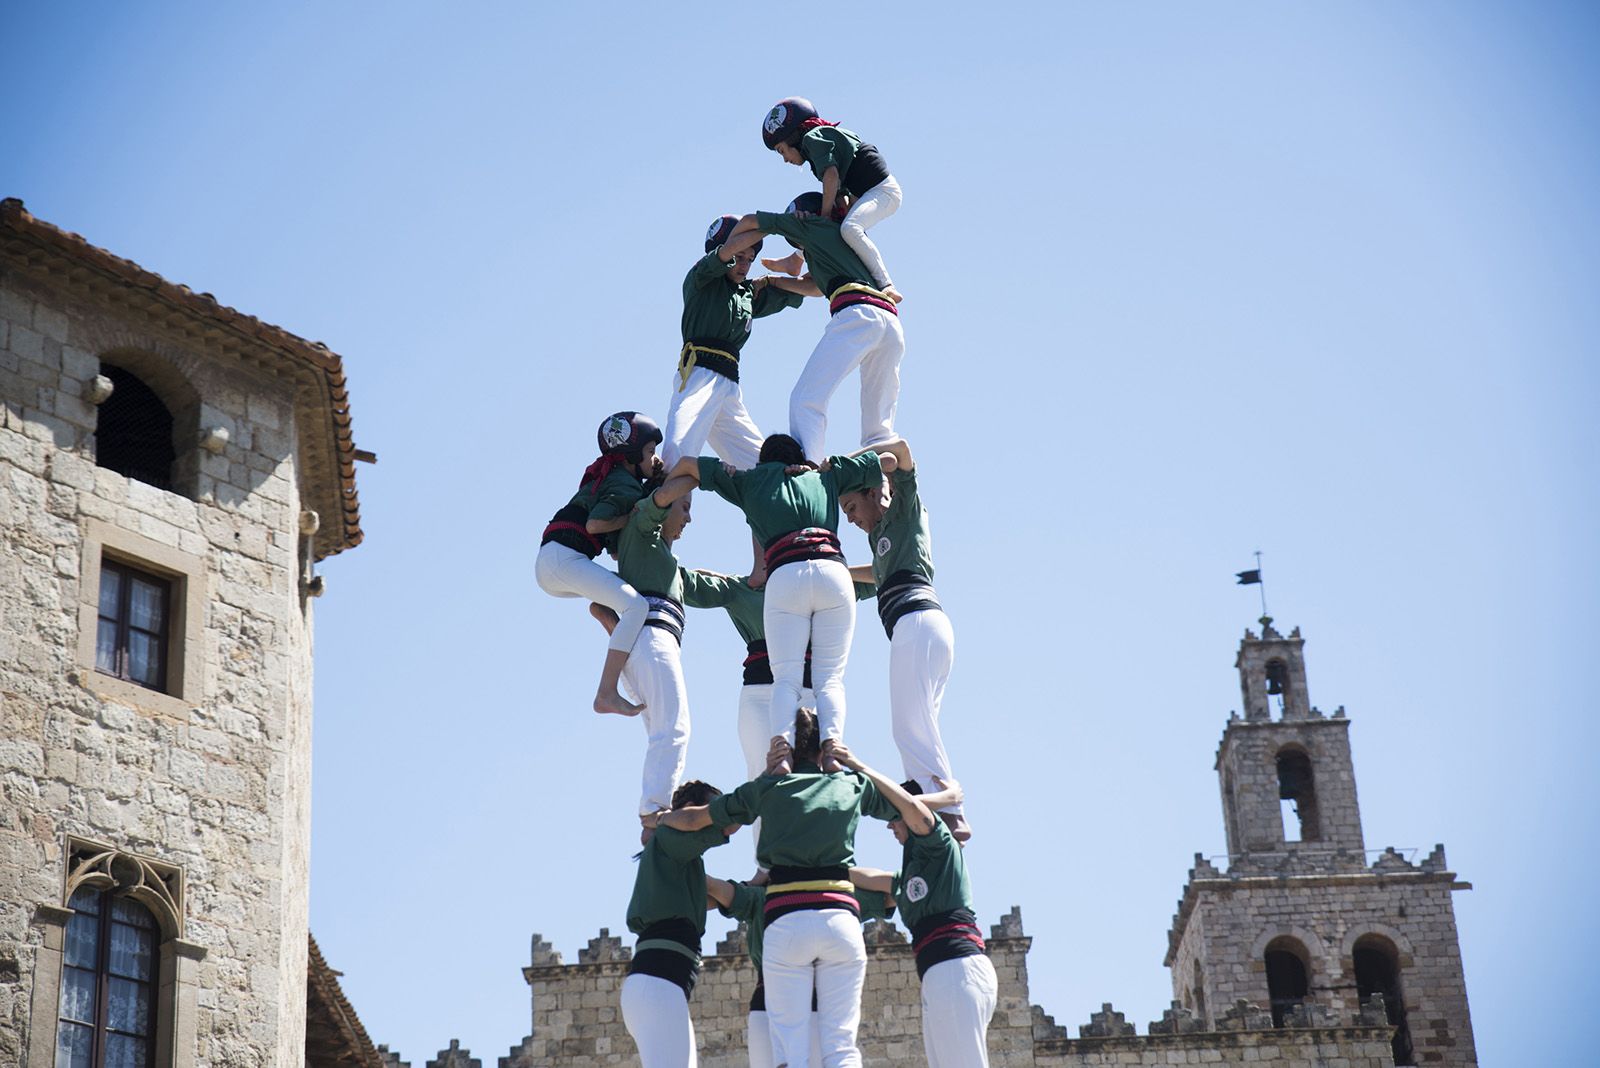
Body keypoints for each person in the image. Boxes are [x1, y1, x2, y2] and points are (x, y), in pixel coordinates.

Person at [662, 710, 927, 1068]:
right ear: (824, 748)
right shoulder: (850, 784)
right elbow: (906, 809)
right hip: (839, 917)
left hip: (785, 920)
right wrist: (858, 766)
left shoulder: (768, 788)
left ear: (785, 747)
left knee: (791, 1052)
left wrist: (659, 820)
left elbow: (703, 818)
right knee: (842, 1049)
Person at [667, 437, 893, 771]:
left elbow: (687, 464)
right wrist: (829, 466)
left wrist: (657, 500)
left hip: (785, 575)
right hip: (833, 571)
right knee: (830, 680)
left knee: (785, 679)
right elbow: (888, 460)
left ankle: (782, 752)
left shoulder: (749, 481)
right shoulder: (825, 476)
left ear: (764, 462)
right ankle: (832, 750)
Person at [838, 438, 969, 840]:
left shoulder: (904, 511)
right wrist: (836, 570)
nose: (851, 519)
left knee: (909, 728)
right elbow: (876, 575)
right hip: (921, 629)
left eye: (851, 508)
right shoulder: (881, 541)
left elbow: (903, 453)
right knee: (920, 724)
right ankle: (928, 797)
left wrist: (856, 463)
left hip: (917, 624)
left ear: (872, 493)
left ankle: (949, 808)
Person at [720, 198, 903, 465]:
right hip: (890, 321)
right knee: (878, 428)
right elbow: (815, 288)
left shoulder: (810, 226)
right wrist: (772, 281)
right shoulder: (837, 241)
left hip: (858, 315)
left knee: (806, 399)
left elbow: (750, 221)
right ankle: (889, 469)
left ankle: (810, 467)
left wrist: (724, 255)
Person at [847, 771, 995, 1068]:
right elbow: (876, 879)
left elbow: (914, 810)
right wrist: (815, 868)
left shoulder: (940, 846)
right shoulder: (916, 872)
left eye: (893, 816)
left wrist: (856, 764)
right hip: (940, 975)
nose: (890, 825)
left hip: (956, 968)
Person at [536, 412, 662, 716]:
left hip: (554, 562)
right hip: (564, 559)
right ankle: (606, 692)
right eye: (650, 451)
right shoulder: (625, 484)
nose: (655, 458)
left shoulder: (613, 478)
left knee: (626, 591)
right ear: (631, 456)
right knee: (637, 607)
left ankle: (603, 609)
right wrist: (634, 514)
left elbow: (616, 551)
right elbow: (594, 525)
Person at [662, 215, 812, 470]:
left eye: (750, 259)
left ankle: (781, 493)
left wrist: (804, 248)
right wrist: (777, 225)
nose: (745, 265)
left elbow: (812, 287)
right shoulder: (701, 278)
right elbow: (728, 249)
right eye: (740, 257)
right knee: (677, 449)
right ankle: (663, 494)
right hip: (700, 374)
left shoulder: (747, 294)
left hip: (729, 386)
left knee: (762, 468)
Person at [591, 470, 698, 826]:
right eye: (685, 508)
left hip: (647, 646)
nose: (689, 518)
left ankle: (655, 817)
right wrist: (696, 472)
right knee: (675, 727)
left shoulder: (668, 565)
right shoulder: (642, 532)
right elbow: (661, 496)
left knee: (663, 732)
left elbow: (726, 588)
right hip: (652, 642)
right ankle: (654, 810)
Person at [707, 876, 895, 1068]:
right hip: (817, 1005)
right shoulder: (838, 897)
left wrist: (752, 882)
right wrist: (846, 873)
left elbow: (710, 889)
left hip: (769, 1004)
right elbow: (896, 892)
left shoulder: (760, 897)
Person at [621, 779, 737, 1068]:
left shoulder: (680, 859)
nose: (715, 814)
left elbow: (705, 897)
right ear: (689, 809)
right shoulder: (670, 839)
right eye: (711, 807)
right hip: (659, 983)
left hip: (658, 985)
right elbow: (729, 820)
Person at [761, 97, 902, 304]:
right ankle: (796, 258)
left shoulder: (813, 139)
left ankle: (887, 285)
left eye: (782, 150)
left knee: (849, 228)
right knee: (838, 230)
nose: (785, 159)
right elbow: (838, 193)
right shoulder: (819, 146)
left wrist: (825, 216)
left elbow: (832, 176)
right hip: (865, 194)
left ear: (793, 137)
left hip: (882, 192)